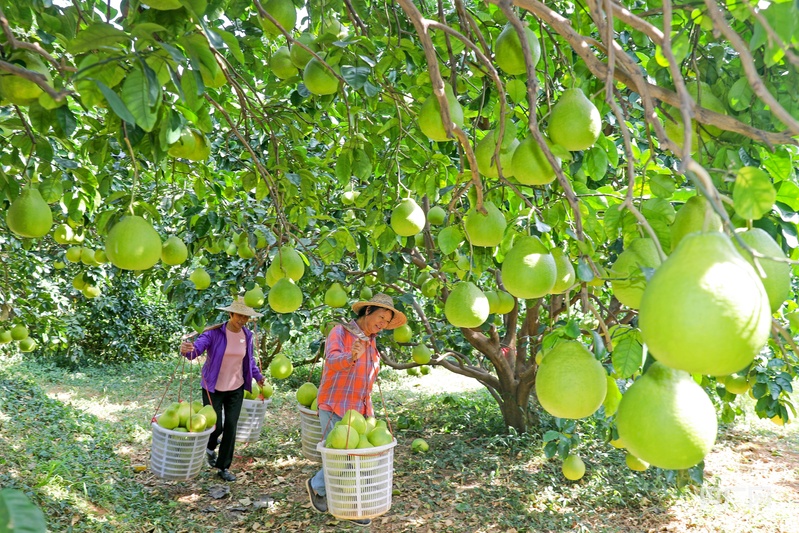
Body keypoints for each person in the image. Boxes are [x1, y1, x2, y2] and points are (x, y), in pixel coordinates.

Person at [306, 293, 407, 527]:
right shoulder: (340, 333)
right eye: (380, 317)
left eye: (387, 321)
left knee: (357, 460)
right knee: (341, 460)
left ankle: (350, 504)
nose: (382, 324)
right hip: (335, 404)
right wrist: (350, 356)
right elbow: (331, 360)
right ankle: (322, 489)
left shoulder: (371, 340)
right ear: (367, 312)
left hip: (360, 410)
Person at [180, 297, 266, 482]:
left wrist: (258, 377)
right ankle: (210, 447)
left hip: (236, 387)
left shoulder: (247, 335)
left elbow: (248, 360)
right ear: (230, 314)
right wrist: (187, 349)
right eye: (239, 316)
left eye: (246, 317)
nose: (242, 320)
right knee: (216, 425)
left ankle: (223, 466)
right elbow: (196, 350)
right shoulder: (214, 334)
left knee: (231, 426)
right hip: (213, 387)